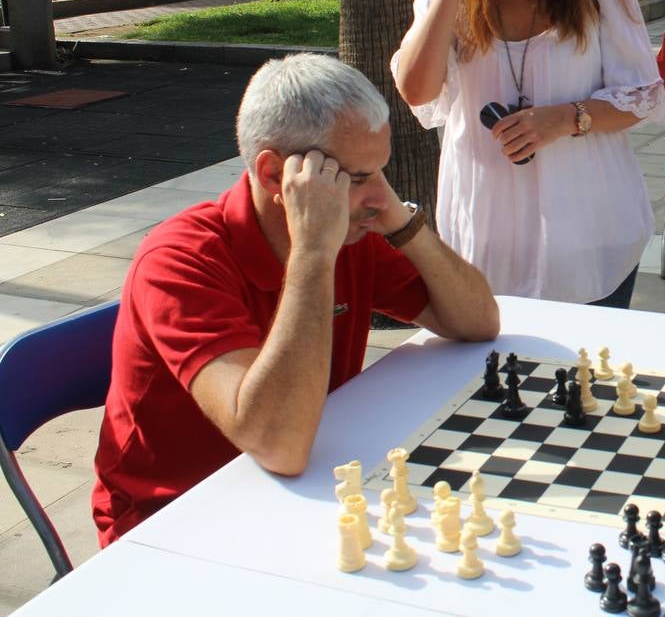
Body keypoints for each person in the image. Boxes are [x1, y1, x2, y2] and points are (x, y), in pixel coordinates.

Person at [91, 55, 499, 545]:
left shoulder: (353, 234)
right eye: (358, 176)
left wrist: (402, 221)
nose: (377, 197)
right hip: (175, 523)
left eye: (380, 172)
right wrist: (312, 252)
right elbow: (278, 444)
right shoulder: (179, 261)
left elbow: (479, 322)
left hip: (308, 487)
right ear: (273, 176)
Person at [392, 0, 665, 309]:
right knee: (495, 380)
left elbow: (641, 97)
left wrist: (564, 119)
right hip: (485, 235)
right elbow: (416, 89)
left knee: (590, 381)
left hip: (590, 233)